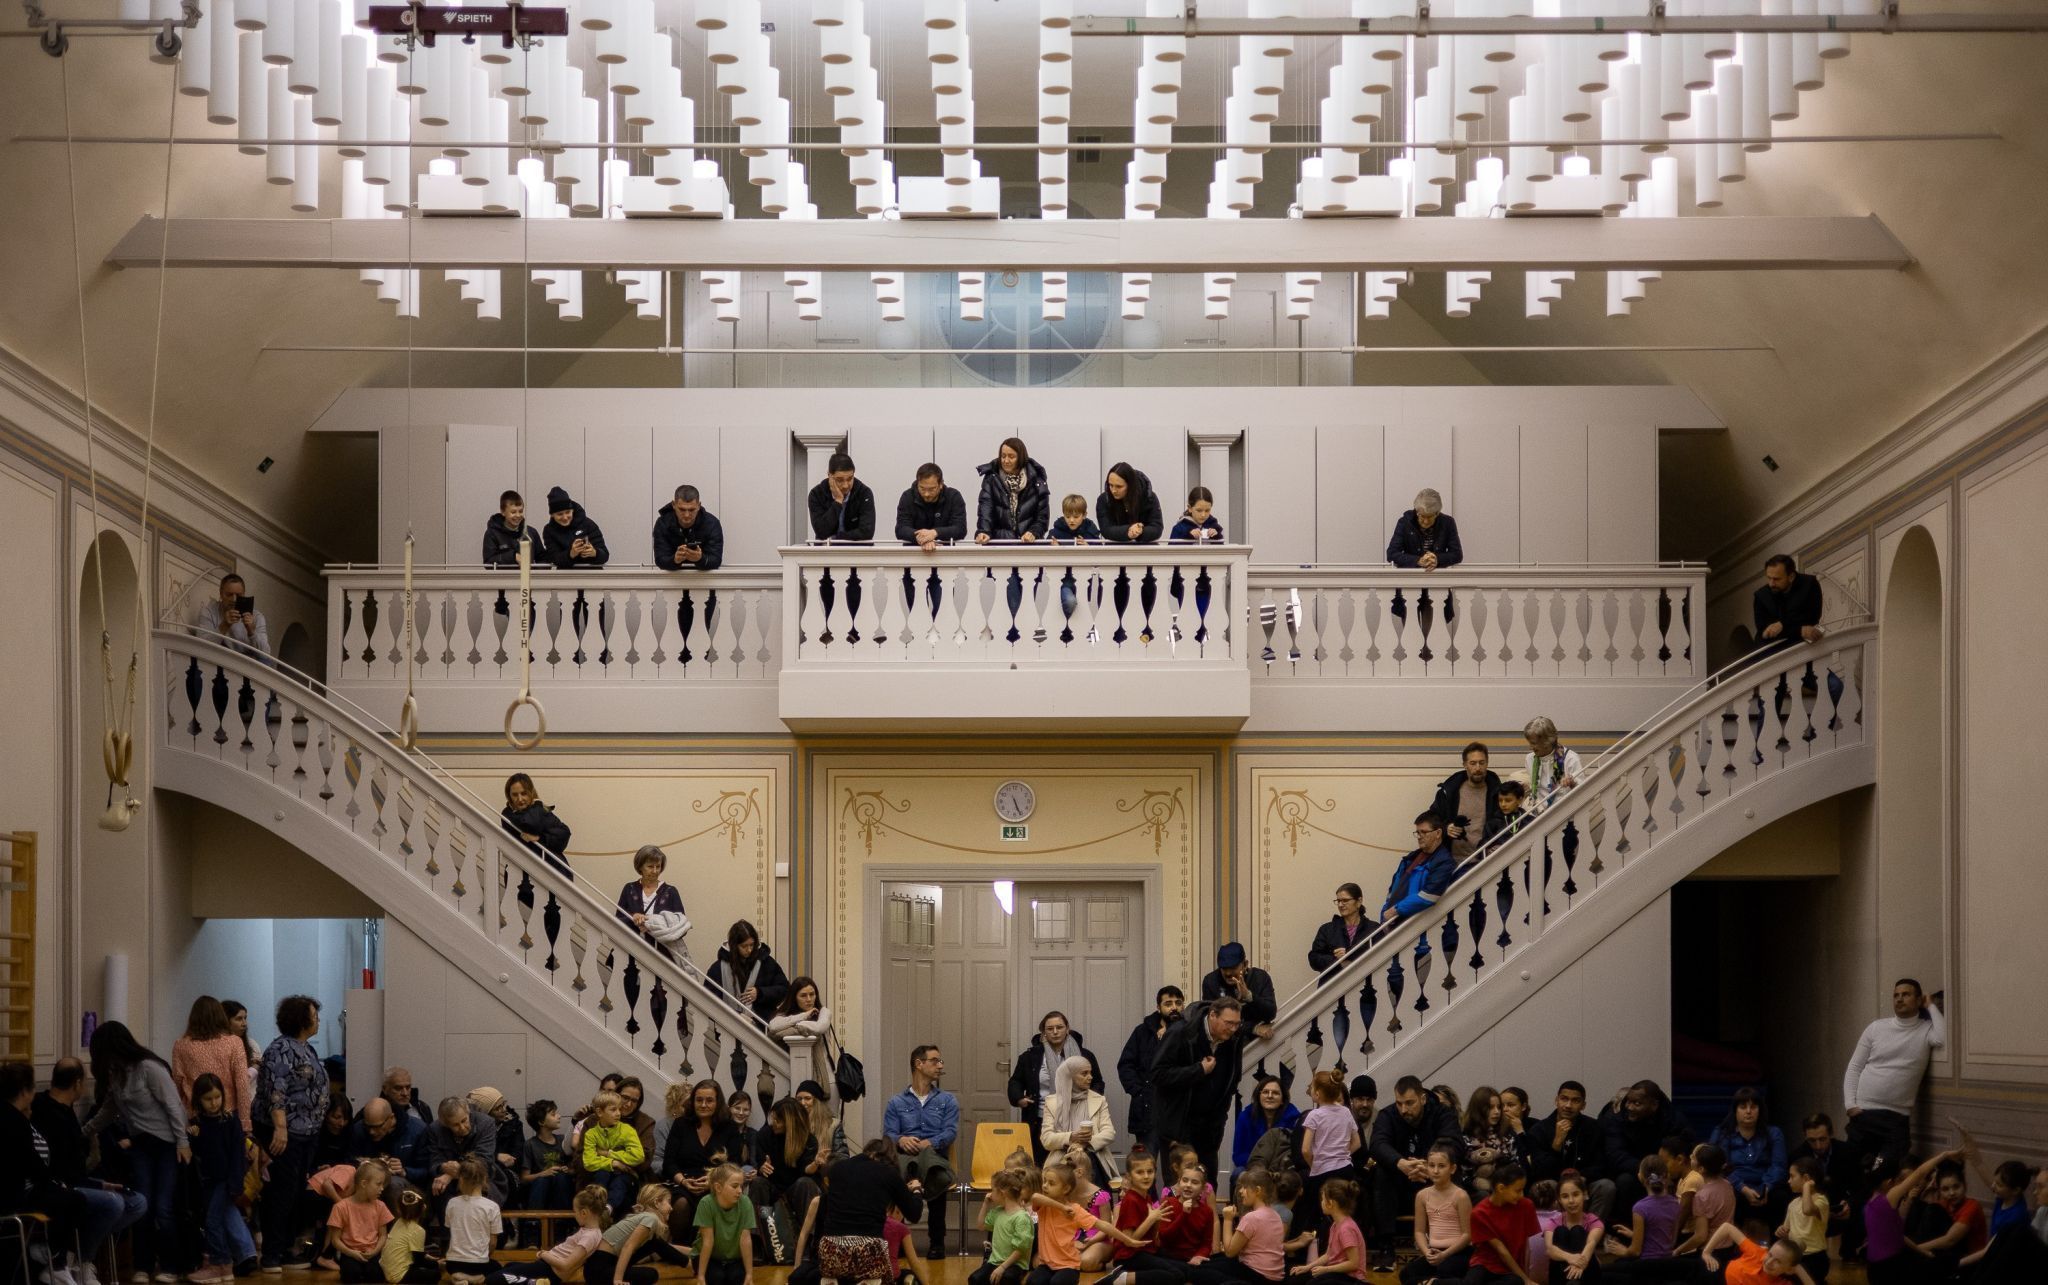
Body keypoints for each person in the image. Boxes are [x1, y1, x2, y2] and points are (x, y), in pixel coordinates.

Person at [84, 1020, 190, 1282]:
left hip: (166, 1144)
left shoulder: (148, 1067)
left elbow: (174, 1106)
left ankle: (171, 1266)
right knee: (143, 1204)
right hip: (141, 1145)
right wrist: (85, 1130)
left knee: (163, 1206)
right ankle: (143, 1265)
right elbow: (109, 1109)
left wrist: (182, 1142)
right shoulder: (116, 1074)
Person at [1843, 979, 1946, 1172]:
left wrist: (1931, 1005)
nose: (1899, 999)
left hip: (1897, 1118)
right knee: (1854, 1170)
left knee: (1884, 1170)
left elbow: (1942, 1038)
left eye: (1906, 994)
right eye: (1896, 995)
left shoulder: (1925, 1029)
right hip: (1864, 1113)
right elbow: (1854, 1066)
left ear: (1918, 1000)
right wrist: (1850, 1104)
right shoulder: (1876, 1028)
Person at [1148, 996, 1246, 1189]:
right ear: (1212, 1015)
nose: (1233, 1029)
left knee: (1208, 1187)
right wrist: (1198, 1070)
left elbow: (1233, 1079)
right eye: (1229, 1023)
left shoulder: (1234, 1038)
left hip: (1210, 1129)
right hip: (1179, 1127)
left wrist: (1221, 1118)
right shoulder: (1181, 1032)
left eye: (1237, 1024)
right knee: (1179, 1188)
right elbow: (1158, 1074)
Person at [1367, 1076, 1462, 1272]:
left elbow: (1453, 1143)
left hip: (1432, 1179)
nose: (1404, 1109)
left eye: (1410, 1103)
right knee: (1381, 1172)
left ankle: (1446, 1242)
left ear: (1423, 1099)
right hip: (1400, 1183)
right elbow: (1377, 1144)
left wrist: (1430, 1166)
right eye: (1399, 1103)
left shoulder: (1442, 1113)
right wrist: (1400, 1163)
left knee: (1451, 1170)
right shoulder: (1388, 1115)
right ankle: (1386, 1247)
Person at [817, 1131, 926, 1284]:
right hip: (868, 1252)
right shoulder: (888, 1173)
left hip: (830, 1249)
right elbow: (914, 1214)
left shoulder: (837, 1168)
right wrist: (916, 1190)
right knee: (892, 1276)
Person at [882, 1044, 958, 1258]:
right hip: (905, 1157)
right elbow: (889, 1134)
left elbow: (950, 1132)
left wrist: (929, 1142)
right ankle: (897, 1239)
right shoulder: (896, 1102)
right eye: (935, 1061)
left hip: (934, 1156)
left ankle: (937, 1242)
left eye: (940, 1061)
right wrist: (901, 1139)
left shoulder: (947, 1100)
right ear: (919, 1064)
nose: (940, 1066)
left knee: (935, 1172)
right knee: (895, 1174)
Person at [1009, 1011, 1106, 1164]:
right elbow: (1015, 1081)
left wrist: (1091, 1100)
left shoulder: (1084, 1055)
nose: (1055, 1032)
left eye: (1059, 1027)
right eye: (1050, 1028)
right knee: (1041, 1164)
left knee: (1076, 1165)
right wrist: (1019, 1098)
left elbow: (1098, 1082)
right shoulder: (1030, 1056)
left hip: (1078, 1118)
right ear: (1043, 1032)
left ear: (1067, 1029)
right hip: (1040, 1118)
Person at [1602, 1082, 1689, 1214]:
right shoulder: (1618, 1119)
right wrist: (1647, 1170)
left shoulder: (1673, 1120)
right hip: (1635, 1171)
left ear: (1654, 1105)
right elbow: (1616, 1154)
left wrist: (1662, 1172)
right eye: (1628, 1101)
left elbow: (1681, 1151)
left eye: (1637, 1104)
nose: (1629, 1107)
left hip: (1666, 1172)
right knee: (1624, 1181)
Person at [1710, 1088, 1787, 1227]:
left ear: (1760, 1110)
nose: (1748, 1111)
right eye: (1743, 1107)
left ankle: (1776, 1240)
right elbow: (1722, 1167)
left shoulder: (1774, 1133)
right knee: (1727, 1194)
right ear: (1735, 1110)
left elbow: (1779, 1165)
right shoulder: (1722, 1133)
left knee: (1781, 1196)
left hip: (1766, 1186)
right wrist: (1743, 1188)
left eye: (1753, 1107)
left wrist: (1766, 1188)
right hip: (1735, 1186)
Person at [1118, 986, 1185, 1146]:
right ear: (1158, 1007)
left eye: (1178, 1003)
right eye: (1168, 1004)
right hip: (1148, 1108)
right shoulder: (1142, 1032)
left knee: (1177, 1160)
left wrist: (1171, 1032)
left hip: (1178, 1110)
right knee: (1146, 1158)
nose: (1174, 1007)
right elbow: (1126, 1064)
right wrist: (1138, 1092)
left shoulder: (1190, 1031)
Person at [1298, 1071, 1361, 1240]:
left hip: (1322, 1172)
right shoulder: (1346, 1112)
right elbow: (1357, 1142)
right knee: (1343, 1212)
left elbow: (1305, 1149)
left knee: (1318, 1213)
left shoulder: (1314, 1115)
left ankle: (1318, 1248)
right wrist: (1342, 1155)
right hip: (1345, 1169)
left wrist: (1314, 1165)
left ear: (1317, 1093)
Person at [173, 995, 252, 1127]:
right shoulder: (234, 1042)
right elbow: (242, 1084)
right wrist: (245, 1123)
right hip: (228, 1114)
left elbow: (177, 1083)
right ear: (221, 1016)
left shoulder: (181, 1045)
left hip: (196, 1116)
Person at [1042, 1054, 1118, 1183]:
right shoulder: (1052, 1103)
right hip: (1062, 1159)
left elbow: (1109, 1133)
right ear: (1070, 1076)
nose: (1090, 1077)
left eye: (1090, 1072)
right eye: (1084, 1073)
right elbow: (1046, 1139)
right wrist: (1071, 1137)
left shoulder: (1098, 1100)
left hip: (1093, 1156)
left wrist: (1085, 1143)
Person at [1462, 1162, 1539, 1285]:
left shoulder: (1526, 1205)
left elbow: (1530, 1246)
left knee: (1516, 1282)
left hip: (1512, 1267)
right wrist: (1526, 1280)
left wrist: (1526, 1277)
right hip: (1485, 1264)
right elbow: (1501, 1250)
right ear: (1501, 1188)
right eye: (1518, 1190)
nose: (1522, 1195)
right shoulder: (1479, 1213)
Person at [428, 1093, 509, 1207]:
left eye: (464, 1120)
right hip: (449, 1183)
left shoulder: (485, 1123)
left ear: (468, 1113)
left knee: (479, 1197)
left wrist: (452, 1174)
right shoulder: (435, 1130)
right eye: (455, 1125)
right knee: (438, 1190)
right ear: (446, 1125)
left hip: (484, 1178)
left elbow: (483, 1160)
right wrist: (442, 1167)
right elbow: (434, 1161)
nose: (462, 1127)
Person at [348, 1096, 431, 1207]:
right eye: (368, 1126)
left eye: (377, 1127)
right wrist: (360, 1163)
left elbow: (426, 1170)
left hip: (403, 1183)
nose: (372, 1132)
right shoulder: (359, 1130)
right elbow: (348, 1160)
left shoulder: (417, 1130)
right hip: (366, 1180)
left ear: (391, 1118)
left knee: (392, 1184)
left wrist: (404, 1171)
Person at [1382, 812, 1456, 933]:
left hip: (1414, 927)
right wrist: (1385, 911)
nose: (1420, 836)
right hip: (1395, 923)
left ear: (1438, 833)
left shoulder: (1444, 862)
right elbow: (1393, 889)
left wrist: (1395, 910)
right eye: (1418, 832)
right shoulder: (1410, 858)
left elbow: (1428, 896)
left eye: (1424, 832)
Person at [706, 920, 791, 1024]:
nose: (749, 950)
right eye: (744, 946)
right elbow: (709, 1001)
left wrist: (760, 993)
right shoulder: (717, 969)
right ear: (734, 946)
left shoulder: (766, 962)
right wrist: (736, 1015)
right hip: (728, 1026)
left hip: (762, 1025)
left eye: (752, 945)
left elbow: (784, 989)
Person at [587, 1182, 673, 1285]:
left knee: (655, 1244)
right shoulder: (651, 1218)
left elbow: (666, 1247)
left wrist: (691, 1253)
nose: (671, 1207)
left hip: (597, 1267)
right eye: (669, 1202)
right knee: (651, 1274)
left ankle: (689, 1263)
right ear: (657, 1203)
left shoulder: (641, 1217)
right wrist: (618, 1280)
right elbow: (628, 1247)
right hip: (600, 1269)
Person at [326, 1160, 396, 1284]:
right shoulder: (341, 1207)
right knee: (351, 1274)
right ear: (364, 1183)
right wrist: (352, 1253)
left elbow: (383, 1235)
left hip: (372, 1252)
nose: (382, 1189)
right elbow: (335, 1240)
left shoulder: (380, 1206)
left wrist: (374, 1252)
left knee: (376, 1275)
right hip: (349, 1253)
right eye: (378, 1184)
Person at [1432, 744, 1505, 863]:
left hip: (1486, 861)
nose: (1478, 768)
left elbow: (1505, 824)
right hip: (1452, 861)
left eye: (1482, 763)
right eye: (1473, 763)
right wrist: (1445, 828)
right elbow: (1432, 820)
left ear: (1487, 763)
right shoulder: (1449, 791)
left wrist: (1498, 844)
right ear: (1465, 765)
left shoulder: (1498, 793)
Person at [615, 845, 689, 956]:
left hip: (661, 956)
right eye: (650, 866)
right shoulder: (629, 889)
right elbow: (617, 921)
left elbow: (682, 928)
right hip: (631, 953)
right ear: (640, 867)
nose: (655, 871)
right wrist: (633, 918)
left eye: (658, 866)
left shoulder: (671, 892)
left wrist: (654, 923)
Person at [581, 1091, 647, 1216]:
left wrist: (608, 1154)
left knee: (620, 1181)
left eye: (619, 1109)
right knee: (602, 1175)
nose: (618, 1113)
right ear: (600, 1112)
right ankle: (597, 1210)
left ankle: (607, 1209)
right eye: (613, 1110)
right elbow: (589, 1162)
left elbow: (638, 1156)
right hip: (603, 1173)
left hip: (626, 1175)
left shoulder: (627, 1130)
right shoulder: (591, 1134)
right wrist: (614, 1163)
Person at [768, 977, 835, 1097]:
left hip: (827, 1078)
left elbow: (819, 1028)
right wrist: (804, 1015)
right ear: (794, 997)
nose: (809, 999)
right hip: (797, 1075)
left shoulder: (824, 1012)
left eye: (812, 994)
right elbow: (773, 1026)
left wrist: (796, 1026)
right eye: (803, 995)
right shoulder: (787, 1015)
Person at [976, 437, 1051, 543]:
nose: (1006, 461)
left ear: (1021, 457)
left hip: (1029, 545)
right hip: (999, 544)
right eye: (1003, 456)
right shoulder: (991, 478)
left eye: (1011, 457)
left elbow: (1042, 517)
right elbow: (985, 508)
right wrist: (984, 531)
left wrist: (1034, 532)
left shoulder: (1037, 479)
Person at [694, 1163, 757, 1285]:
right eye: (734, 1186)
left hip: (734, 1259)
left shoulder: (745, 1203)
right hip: (710, 1257)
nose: (740, 1191)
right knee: (716, 1278)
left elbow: (745, 1239)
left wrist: (749, 1274)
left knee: (737, 1278)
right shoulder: (706, 1203)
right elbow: (708, 1241)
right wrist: (701, 1276)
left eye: (741, 1186)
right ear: (718, 1187)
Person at [1699, 1223, 1820, 1285]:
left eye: (1778, 1261)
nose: (1769, 1262)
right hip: (1716, 1273)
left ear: (1789, 1269)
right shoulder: (1758, 1252)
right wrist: (1706, 1252)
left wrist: (1798, 1269)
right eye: (1770, 1255)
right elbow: (1727, 1227)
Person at [1201, 943, 1278, 1040]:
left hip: (1258, 1042)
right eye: (1224, 969)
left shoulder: (1260, 978)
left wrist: (1249, 996)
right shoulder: (1211, 982)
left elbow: (1271, 1013)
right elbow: (1213, 1021)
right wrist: (1253, 1028)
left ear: (1245, 964)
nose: (1228, 973)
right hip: (1225, 1042)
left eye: (1233, 968)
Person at [1752, 554, 1825, 653]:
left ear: (1791, 577)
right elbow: (1765, 632)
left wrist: (1782, 625)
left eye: (1776, 579)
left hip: (1803, 650)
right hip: (1772, 652)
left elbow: (1811, 618)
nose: (1771, 584)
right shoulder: (1761, 596)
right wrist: (1799, 630)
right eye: (1769, 578)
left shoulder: (1809, 584)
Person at [974, 1167, 1035, 1285]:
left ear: (1002, 1193)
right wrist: (985, 1204)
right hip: (995, 1261)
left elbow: (1020, 1249)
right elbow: (981, 1226)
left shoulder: (1022, 1218)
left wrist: (1002, 1267)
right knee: (975, 1279)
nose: (990, 1193)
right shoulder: (998, 1212)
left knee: (1006, 1279)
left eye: (992, 1190)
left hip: (1015, 1264)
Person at [1541, 1173, 1603, 1285]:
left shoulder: (1594, 1221)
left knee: (1577, 1231)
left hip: (1586, 1274)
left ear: (1585, 1195)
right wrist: (1571, 1258)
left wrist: (1579, 1264)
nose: (1571, 1200)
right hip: (1561, 1277)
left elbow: (1591, 1243)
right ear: (1559, 1200)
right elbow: (1550, 1250)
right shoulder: (1553, 1222)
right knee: (1561, 1231)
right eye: (1565, 1196)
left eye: (1576, 1194)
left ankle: (1574, 1281)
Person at [1777, 1157, 1830, 1283]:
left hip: (1815, 1257)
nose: (1789, 1181)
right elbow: (1788, 1231)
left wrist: (1807, 1186)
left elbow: (1807, 1209)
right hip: (1796, 1256)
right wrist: (1782, 1231)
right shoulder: (1793, 1204)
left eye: (1792, 1176)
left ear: (1806, 1178)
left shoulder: (1821, 1201)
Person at [1233, 1077, 1301, 1176]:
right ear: (1258, 1096)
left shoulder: (1293, 1119)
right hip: (1253, 1167)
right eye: (1265, 1092)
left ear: (1282, 1099)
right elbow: (1238, 1155)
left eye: (1275, 1093)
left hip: (1282, 1168)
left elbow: (1296, 1152)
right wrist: (1260, 1168)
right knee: (1238, 1173)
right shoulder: (1245, 1117)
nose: (1270, 1096)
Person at [502, 773, 572, 869]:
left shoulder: (539, 810)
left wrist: (540, 838)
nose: (520, 799)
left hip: (554, 868)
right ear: (509, 796)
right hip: (523, 870)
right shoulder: (508, 814)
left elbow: (564, 833)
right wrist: (537, 805)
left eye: (524, 793)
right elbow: (529, 824)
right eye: (515, 795)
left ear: (531, 793)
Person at [196, 572, 272, 656]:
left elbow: (265, 654)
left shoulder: (257, 617)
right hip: (220, 658)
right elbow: (200, 647)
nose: (234, 599)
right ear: (221, 594)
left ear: (244, 594)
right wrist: (224, 626)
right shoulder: (208, 612)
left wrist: (252, 632)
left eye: (238, 595)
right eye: (229, 595)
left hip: (246, 661)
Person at [896, 463, 969, 551]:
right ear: (917, 483)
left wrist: (935, 533)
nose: (926, 494)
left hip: (945, 553)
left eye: (931, 489)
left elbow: (960, 529)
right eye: (922, 488)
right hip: (913, 552)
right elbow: (901, 529)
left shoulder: (953, 497)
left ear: (941, 484)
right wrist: (923, 539)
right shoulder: (908, 497)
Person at [1386, 489, 1464, 571]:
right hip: (1410, 575)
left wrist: (1437, 559)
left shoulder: (1448, 523)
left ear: (1437, 513)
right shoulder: (1405, 522)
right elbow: (1392, 554)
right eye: (1422, 516)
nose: (1426, 521)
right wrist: (1418, 560)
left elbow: (1457, 554)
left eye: (1430, 517)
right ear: (1417, 512)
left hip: (1438, 575)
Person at [808, 452, 878, 542]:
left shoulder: (864, 493)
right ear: (830, 476)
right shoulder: (816, 494)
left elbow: (867, 532)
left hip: (857, 548)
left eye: (850, 479)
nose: (845, 485)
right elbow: (821, 532)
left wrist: (836, 539)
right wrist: (838, 501)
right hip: (826, 549)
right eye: (840, 480)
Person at [653, 485, 725, 571]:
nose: (687, 515)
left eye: (691, 510)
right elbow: (660, 560)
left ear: (699, 506)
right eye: (682, 509)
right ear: (673, 505)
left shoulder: (712, 524)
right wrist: (674, 560)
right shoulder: (663, 523)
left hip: (704, 577)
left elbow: (716, 560)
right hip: (671, 577)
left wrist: (700, 559)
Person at [523, 1099, 576, 1214]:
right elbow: (524, 1178)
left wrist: (568, 1170)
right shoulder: (530, 1145)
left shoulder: (562, 1140)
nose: (559, 1116)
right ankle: (533, 1222)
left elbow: (574, 1169)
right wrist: (543, 1174)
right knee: (542, 1180)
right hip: (541, 1190)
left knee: (561, 1177)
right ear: (541, 1122)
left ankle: (562, 1221)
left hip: (562, 1188)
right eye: (553, 1114)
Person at [1520, 718, 1584, 812]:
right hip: (1538, 813)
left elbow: (1583, 792)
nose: (1530, 747)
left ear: (1547, 741)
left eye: (1533, 743)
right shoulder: (1530, 759)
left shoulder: (1571, 759)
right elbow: (1537, 790)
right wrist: (1527, 788)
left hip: (1564, 813)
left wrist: (1572, 783)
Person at [1460, 1088, 1515, 1196]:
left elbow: (1518, 1166)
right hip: (1475, 1192)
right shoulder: (1465, 1137)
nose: (1497, 1112)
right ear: (1478, 1110)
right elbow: (1463, 1176)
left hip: (1506, 1187)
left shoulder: (1508, 1133)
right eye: (1490, 1107)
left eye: (1499, 1107)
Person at [382, 1187, 441, 1285]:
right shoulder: (418, 1230)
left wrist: (426, 1256)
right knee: (436, 1274)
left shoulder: (398, 1222)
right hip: (400, 1276)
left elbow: (411, 1250)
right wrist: (436, 1264)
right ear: (424, 1208)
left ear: (399, 1209)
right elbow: (419, 1261)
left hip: (387, 1271)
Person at [1308, 885, 1369, 979]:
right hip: (1333, 984)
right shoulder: (1327, 929)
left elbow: (1379, 955)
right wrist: (1336, 960)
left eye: (1345, 900)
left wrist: (1349, 955)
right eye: (1338, 901)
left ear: (1359, 901)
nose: (1340, 905)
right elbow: (1314, 959)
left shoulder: (1372, 928)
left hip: (1364, 983)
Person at [541, 487, 610, 569]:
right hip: (566, 575)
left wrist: (594, 553)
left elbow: (605, 555)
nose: (565, 517)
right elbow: (554, 558)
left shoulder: (588, 524)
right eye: (560, 514)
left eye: (568, 512)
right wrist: (571, 554)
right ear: (552, 515)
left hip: (592, 574)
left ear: (572, 510)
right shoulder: (549, 531)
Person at [1097, 463, 1163, 544]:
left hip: (1145, 548)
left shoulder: (1149, 497)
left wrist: (1140, 531)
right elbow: (1106, 530)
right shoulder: (1104, 500)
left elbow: (1157, 528)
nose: (1113, 490)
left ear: (1131, 485)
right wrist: (1128, 531)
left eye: (1119, 486)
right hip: (1116, 549)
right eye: (1110, 485)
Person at [485, 490, 546, 568]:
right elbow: (488, 562)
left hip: (528, 575)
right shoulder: (492, 534)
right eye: (513, 512)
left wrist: (533, 571)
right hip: (503, 576)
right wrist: (513, 556)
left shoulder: (531, 532)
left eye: (520, 511)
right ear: (503, 512)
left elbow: (543, 559)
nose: (518, 515)